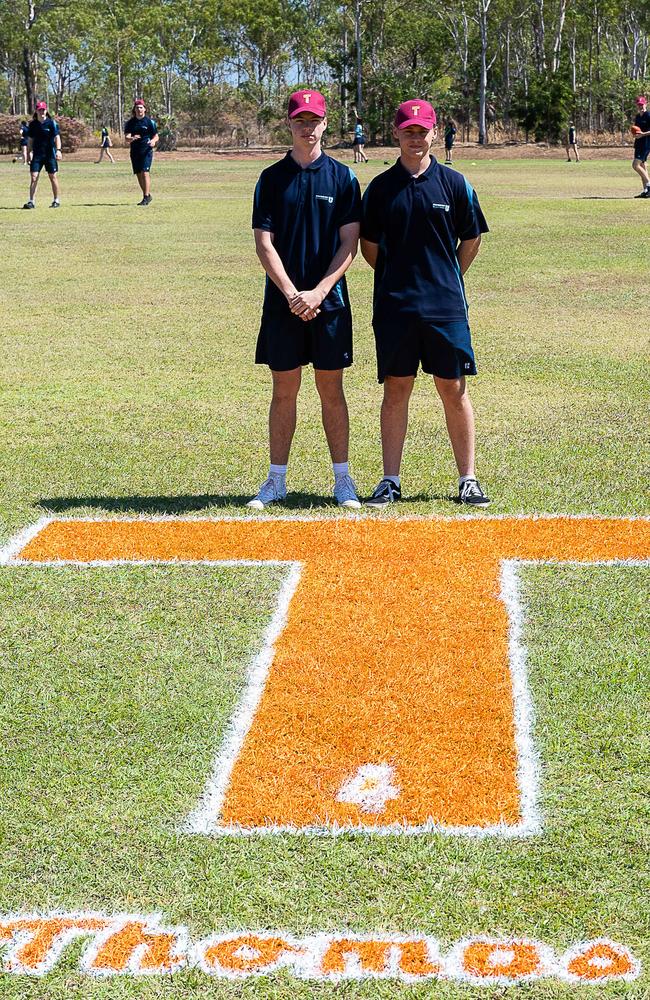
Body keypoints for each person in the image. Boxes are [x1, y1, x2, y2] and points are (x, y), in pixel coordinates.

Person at [360, 98, 491, 508]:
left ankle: (468, 479)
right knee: (396, 389)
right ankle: (390, 480)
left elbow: (471, 239)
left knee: (452, 388)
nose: (415, 138)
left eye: (422, 131)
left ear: (434, 133)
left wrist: (447, 278)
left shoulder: (455, 184)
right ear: (396, 134)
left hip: (445, 307)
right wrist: (400, 279)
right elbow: (369, 246)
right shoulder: (380, 188)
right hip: (396, 307)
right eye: (408, 131)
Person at [248, 89, 362, 510]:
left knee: (331, 391)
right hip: (284, 304)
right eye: (300, 120)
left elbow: (349, 244)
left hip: (328, 304)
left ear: (326, 124)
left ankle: (343, 480)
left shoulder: (344, 178)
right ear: (289, 124)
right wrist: (293, 293)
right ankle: (276, 481)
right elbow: (264, 244)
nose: (307, 127)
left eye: (314, 120)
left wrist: (318, 291)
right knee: (284, 391)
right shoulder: (271, 179)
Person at [23, 102, 62, 209]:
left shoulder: (51, 123)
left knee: (52, 177)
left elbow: (57, 137)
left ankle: (56, 200)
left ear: (46, 110)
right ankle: (31, 201)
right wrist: (29, 152)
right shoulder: (33, 125)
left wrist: (58, 150)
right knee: (34, 177)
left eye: (43, 109)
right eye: (40, 110)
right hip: (37, 155)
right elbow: (30, 140)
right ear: (36, 111)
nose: (42, 112)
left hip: (49, 155)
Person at [123, 99, 158, 205]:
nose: (139, 109)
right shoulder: (130, 123)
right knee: (138, 174)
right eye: (137, 107)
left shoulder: (150, 122)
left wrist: (153, 141)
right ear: (134, 109)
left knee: (145, 172)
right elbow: (127, 137)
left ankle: (145, 197)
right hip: (135, 151)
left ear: (145, 109)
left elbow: (156, 136)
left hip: (146, 151)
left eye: (141, 107)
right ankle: (147, 195)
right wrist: (132, 138)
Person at [631, 96, 650, 199]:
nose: (640, 106)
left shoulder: (648, 115)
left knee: (635, 165)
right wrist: (636, 134)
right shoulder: (638, 116)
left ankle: (649, 185)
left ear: (645, 104)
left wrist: (642, 134)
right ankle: (646, 191)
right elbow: (637, 130)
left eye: (642, 104)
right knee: (642, 166)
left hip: (646, 143)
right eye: (639, 105)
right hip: (638, 143)